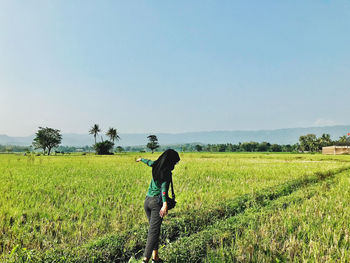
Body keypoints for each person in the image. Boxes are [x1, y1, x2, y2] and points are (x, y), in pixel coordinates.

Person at [136, 149, 180, 263]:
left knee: (155, 230)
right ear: (170, 162)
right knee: (153, 232)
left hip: (147, 201)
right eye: (175, 163)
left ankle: (155, 257)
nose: (175, 165)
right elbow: (164, 189)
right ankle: (145, 260)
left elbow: (149, 162)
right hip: (156, 204)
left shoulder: (156, 165)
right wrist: (165, 204)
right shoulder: (166, 173)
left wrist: (141, 159)